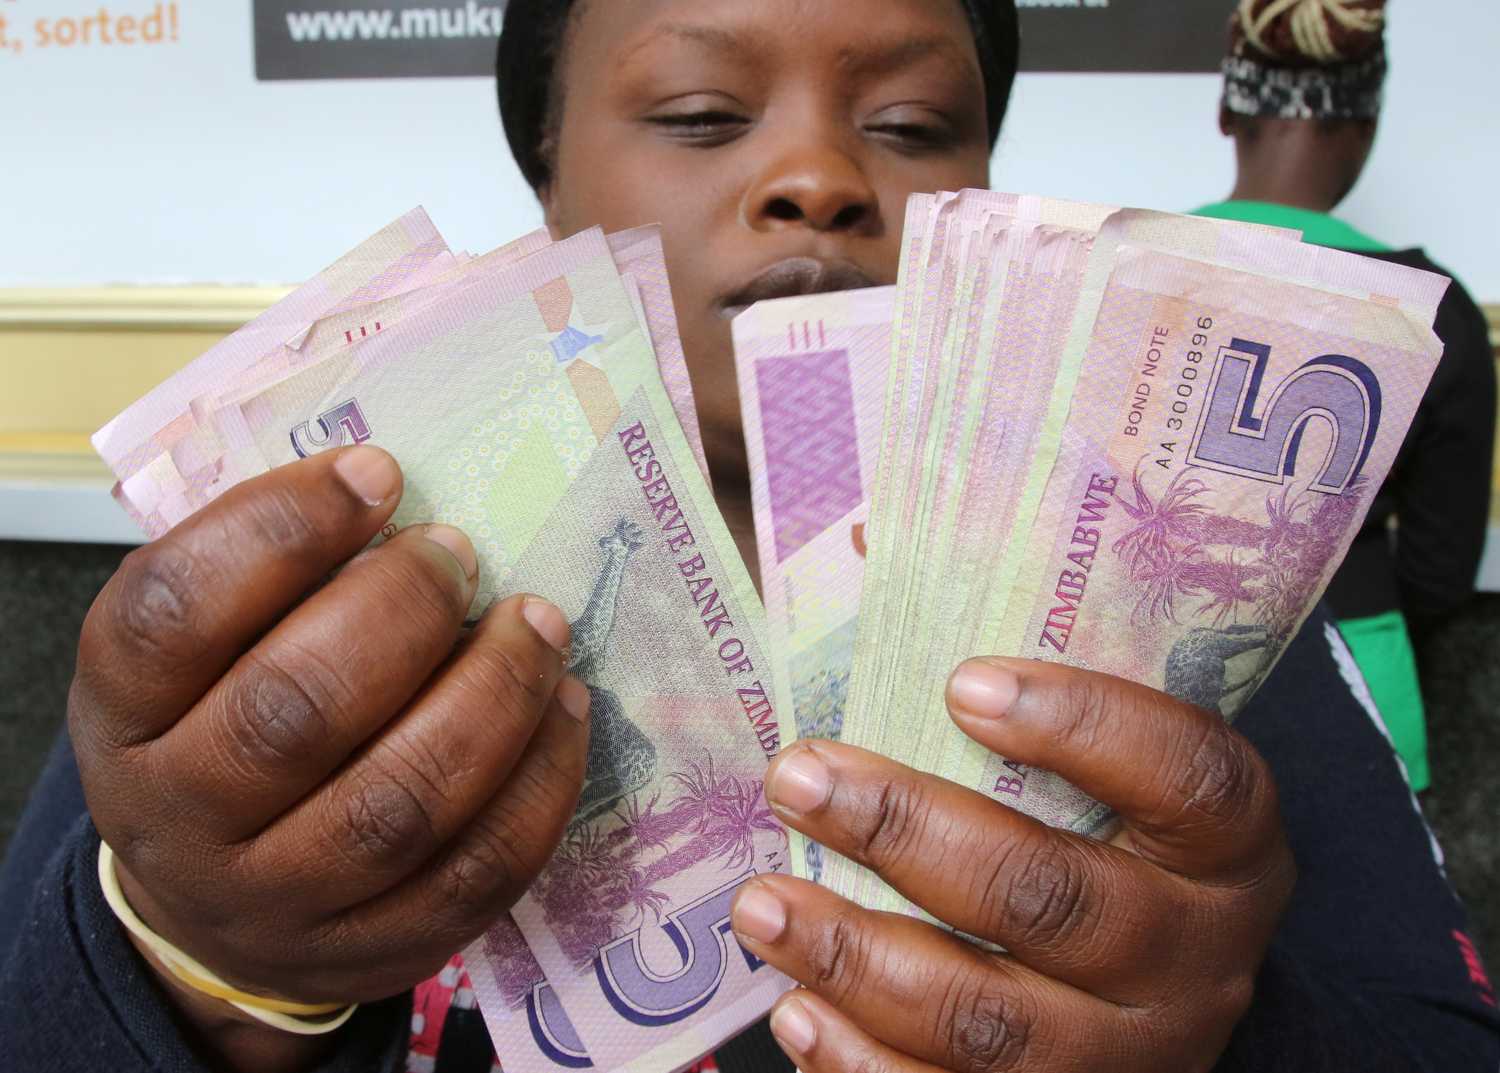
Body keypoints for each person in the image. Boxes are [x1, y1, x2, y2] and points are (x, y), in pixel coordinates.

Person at [2, 2, 1497, 1071]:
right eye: (702, 114)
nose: (821, 179)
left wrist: (1226, 1028)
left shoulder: (1176, 614)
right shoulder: (293, 616)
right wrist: (196, 964)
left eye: (911, 125)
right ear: (547, 172)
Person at [1194, 0, 1497, 792]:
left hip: (1162, 692)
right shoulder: (1437, 308)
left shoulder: (1132, 262)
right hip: (1359, 695)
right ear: (1365, 124)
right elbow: (1438, 573)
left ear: (1227, 109)